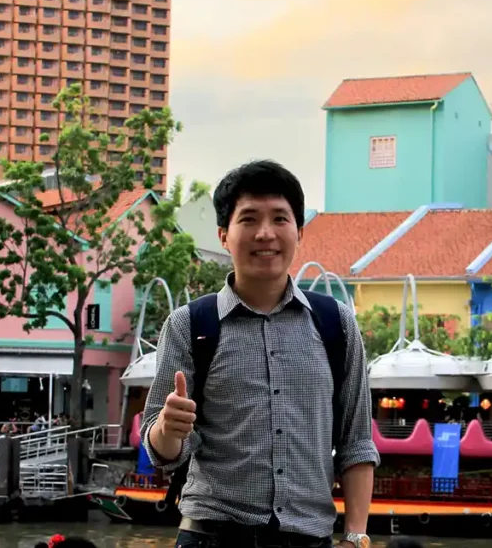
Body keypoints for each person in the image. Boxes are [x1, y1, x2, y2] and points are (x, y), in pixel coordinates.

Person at [142, 160, 379, 548]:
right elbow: (161, 451)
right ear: (223, 234)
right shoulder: (190, 325)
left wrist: (356, 534)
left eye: (280, 219)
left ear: (299, 231)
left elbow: (356, 442)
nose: (265, 234)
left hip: (309, 537)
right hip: (212, 535)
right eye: (249, 219)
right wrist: (169, 428)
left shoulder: (336, 324)